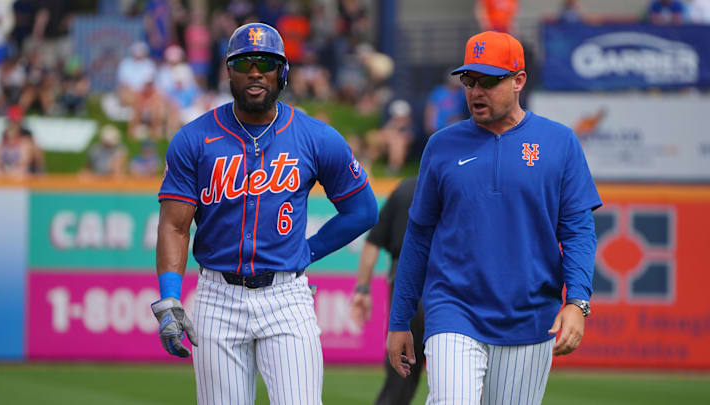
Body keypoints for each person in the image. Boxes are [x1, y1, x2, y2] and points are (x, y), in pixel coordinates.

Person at [151, 22, 378, 405]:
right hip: (217, 296)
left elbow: (363, 210)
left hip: (286, 297)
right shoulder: (193, 139)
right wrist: (170, 299)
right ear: (228, 72)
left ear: (282, 71)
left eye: (266, 63)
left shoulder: (315, 136)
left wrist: (308, 251)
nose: (255, 72)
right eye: (243, 64)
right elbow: (175, 225)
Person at [386, 31, 602, 405]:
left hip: (530, 317)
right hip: (453, 310)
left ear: (519, 80)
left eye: (489, 81)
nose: (476, 91)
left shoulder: (560, 142)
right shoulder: (441, 145)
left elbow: (579, 231)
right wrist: (399, 320)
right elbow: (418, 238)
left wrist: (577, 302)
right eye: (469, 81)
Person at [351, 176, 424, 405]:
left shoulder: (404, 189)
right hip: (447, 288)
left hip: (405, 290)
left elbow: (373, 243)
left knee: (399, 380)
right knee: (462, 376)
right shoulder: (457, 182)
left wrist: (362, 289)